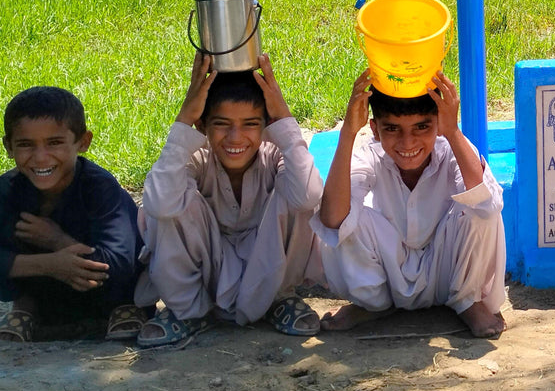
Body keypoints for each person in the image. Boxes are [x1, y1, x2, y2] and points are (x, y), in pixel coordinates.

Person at [133, 52, 323, 347]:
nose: (236, 138)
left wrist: (284, 120)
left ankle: (278, 299)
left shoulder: (274, 156)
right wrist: (183, 119)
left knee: (300, 193)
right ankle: (188, 312)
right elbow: (158, 204)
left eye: (250, 124)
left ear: (266, 126)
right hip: (208, 273)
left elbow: (309, 195)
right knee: (165, 202)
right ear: (202, 126)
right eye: (222, 124)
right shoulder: (194, 159)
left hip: (269, 270)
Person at [314, 70, 506, 339]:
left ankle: (468, 301)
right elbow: (332, 220)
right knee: (347, 218)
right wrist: (347, 132)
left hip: (447, 272)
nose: (407, 143)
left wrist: (451, 132)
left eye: (422, 127)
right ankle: (372, 305)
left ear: (437, 124)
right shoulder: (368, 155)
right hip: (388, 277)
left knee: (480, 205)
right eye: (392, 128)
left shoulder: (451, 149)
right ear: (375, 130)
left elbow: (487, 205)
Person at [0, 86, 148, 342]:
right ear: (8, 147)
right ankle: (27, 307)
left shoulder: (99, 187)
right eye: (25, 145)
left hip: (109, 286)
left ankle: (123, 307)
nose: (41, 158)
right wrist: (50, 264)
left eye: (54, 143)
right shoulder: (7, 190)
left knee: (130, 266)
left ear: (83, 142)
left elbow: (120, 264)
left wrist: (57, 240)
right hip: (48, 292)